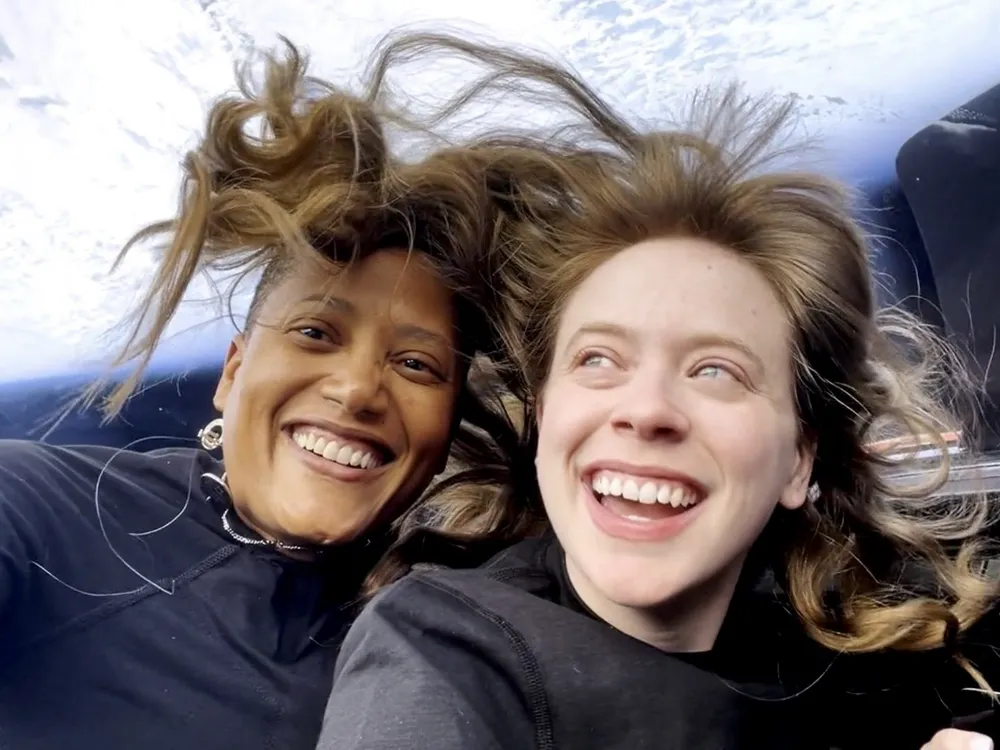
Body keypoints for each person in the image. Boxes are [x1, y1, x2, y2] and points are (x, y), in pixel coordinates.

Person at [318, 36, 1000, 750]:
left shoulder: (859, 643)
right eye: (599, 359)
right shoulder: (447, 653)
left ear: (800, 459)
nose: (645, 410)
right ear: (547, 415)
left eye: (716, 371)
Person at [0, 38, 544, 750]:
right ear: (232, 372)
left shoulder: (442, 634)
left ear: (443, 425)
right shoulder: (43, 510)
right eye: (316, 332)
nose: (356, 389)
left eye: (416, 365)